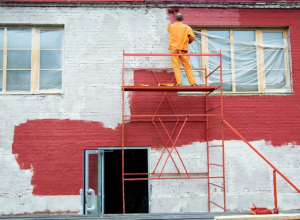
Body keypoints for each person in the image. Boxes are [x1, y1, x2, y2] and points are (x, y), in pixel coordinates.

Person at [167, 13, 197, 86]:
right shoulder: (187, 27)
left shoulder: (171, 26)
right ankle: (193, 83)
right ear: (182, 19)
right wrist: (188, 41)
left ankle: (179, 83)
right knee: (187, 66)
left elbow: (168, 30)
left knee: (176, 66)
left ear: (176, 19)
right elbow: (192, 36)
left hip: (174, 49)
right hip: (183, 48)